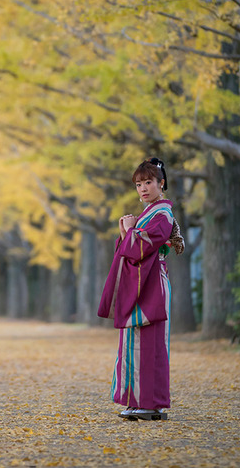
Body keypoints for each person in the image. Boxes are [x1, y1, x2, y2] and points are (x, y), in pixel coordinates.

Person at [98, 157, 184, 421]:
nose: (143, 188)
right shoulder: (150, 212)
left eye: (148, 182)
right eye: (138, 184)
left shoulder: (162, 214)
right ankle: (137, 401)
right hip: (141, 281)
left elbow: (143, 247)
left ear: (162, 183)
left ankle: (151, 403)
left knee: (150, 342)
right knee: (134, 341)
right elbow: (131, 246)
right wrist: (127, 231)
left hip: (151, 283)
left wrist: (129, 231)